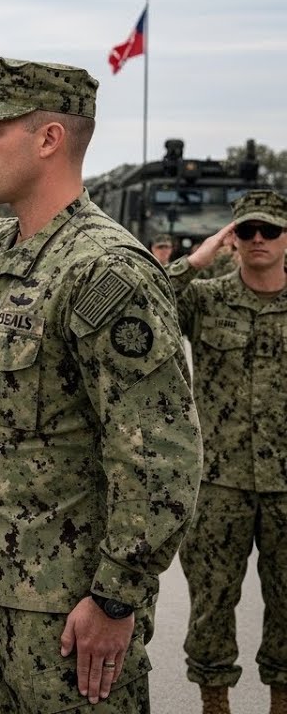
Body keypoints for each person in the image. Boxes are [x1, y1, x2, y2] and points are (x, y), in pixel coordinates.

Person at [0, 58, 201, 711]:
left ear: (50, 138)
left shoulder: (107, 271)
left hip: (72, 605)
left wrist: (115, 598)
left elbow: (158, 456)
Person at [167, 190, 287, 714]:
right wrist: (195, 262)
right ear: (232, 239)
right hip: (218, 482)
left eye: (270, 231)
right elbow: (146, 301)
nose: (258, 239)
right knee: (212, 602)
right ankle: (214, 703)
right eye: (246, 231)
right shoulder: (208, 299)